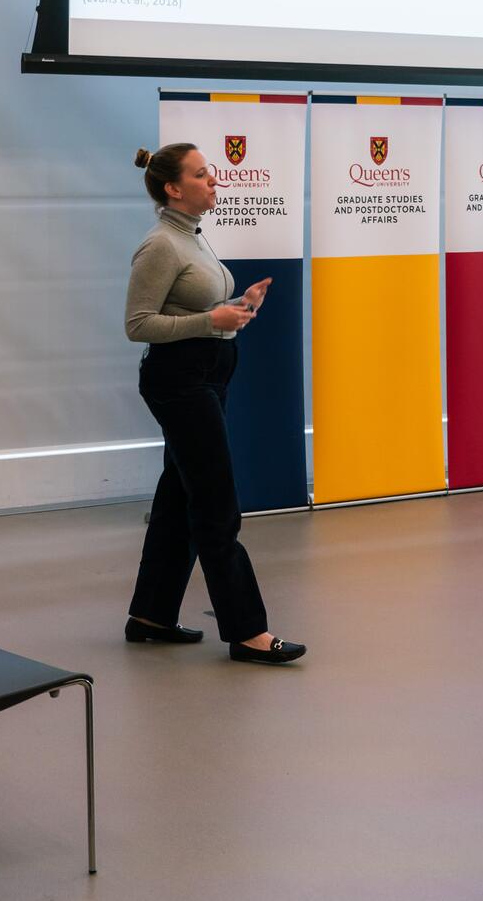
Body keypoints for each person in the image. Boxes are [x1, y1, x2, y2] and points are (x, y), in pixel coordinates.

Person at [122, 142, 305, 665]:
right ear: (173, 188)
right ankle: (247, 632)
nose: (214, 181)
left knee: (180, 496)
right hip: (179, 381)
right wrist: (210, 322)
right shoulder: (160, 245)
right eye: (202, 175)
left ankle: (150, 615)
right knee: (216, 503)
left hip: (207, 373)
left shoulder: (194, 239)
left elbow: (197, 309)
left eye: (212, 173)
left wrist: (239, 306)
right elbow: (138, 325)